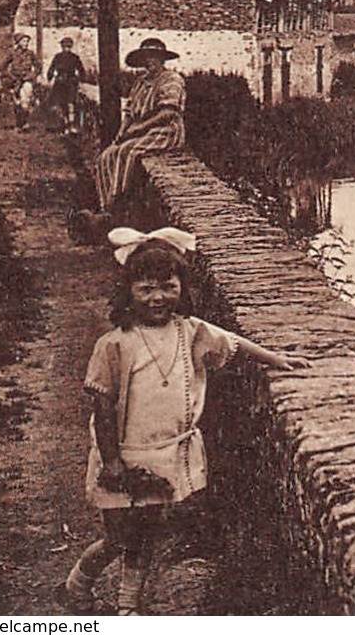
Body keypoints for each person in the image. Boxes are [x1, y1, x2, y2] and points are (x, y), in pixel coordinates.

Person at [62, 228, 308, 615]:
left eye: (167, 286)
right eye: (146, 289)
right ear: (128, 292)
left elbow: (234, 342)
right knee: (118, 534)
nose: (158, 297)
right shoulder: (114, 344)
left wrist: (276, 360)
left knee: (147, 531)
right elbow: (103, 407)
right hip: (124, 454)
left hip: (165, 454)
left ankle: (128, 606)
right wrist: (112, 461)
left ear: (181, 287)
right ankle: (78, 583)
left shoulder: (190, 331)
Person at [94, 38, 187, 218]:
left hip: (164, 130)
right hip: (141, 130)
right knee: (107, 155)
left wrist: (139, 128)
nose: (149, 61)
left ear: (162, 59)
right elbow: (129, 112)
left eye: (154, 57)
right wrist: (121, 133)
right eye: (146, 57)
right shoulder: (141, 81)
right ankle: (104, 206)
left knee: (128, 152)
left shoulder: (171, 79)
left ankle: (117, 205)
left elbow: (168, 112)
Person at [45, 36, 88, 135]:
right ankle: (64, 123)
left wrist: (82, 80)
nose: (66, 49)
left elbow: (81, 69)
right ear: (62, 47)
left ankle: (71, 124)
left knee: (70, 103)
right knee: (60, 104)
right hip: (60, 83)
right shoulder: (58, 57)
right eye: (64, 46)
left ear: (71, 47)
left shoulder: (74, 57)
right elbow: (52, 68)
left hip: (70, 82)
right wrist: (50, 76)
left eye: (68, 47)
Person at [0, 33, 41, 129]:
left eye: (27, 41)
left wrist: (32, 76)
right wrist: (10, 76)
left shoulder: (30, 54)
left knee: (25, 101)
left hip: (27, 80)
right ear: (18, 42)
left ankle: (24, 122)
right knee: (17, 103)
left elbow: (38, 67)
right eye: (24, 41)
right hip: (15, 81)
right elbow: (2, 67)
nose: (26, 43)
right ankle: (20, 123)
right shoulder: (12, 53)